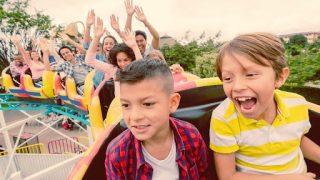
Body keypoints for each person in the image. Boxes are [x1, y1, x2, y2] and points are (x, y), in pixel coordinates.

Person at [210, 32, 320, 179]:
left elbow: (296, 139)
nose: (237, 86)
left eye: (250, 75)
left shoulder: (297, 104)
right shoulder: (224, 118)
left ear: (279, 77)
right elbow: (228, 176)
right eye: (228, 78)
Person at [105, 59, 210, 179]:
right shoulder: (117, 153)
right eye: (126, 105)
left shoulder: (191, 135)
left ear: (172, 103)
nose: (135, 116)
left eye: (148, 104)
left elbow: (204, 175)